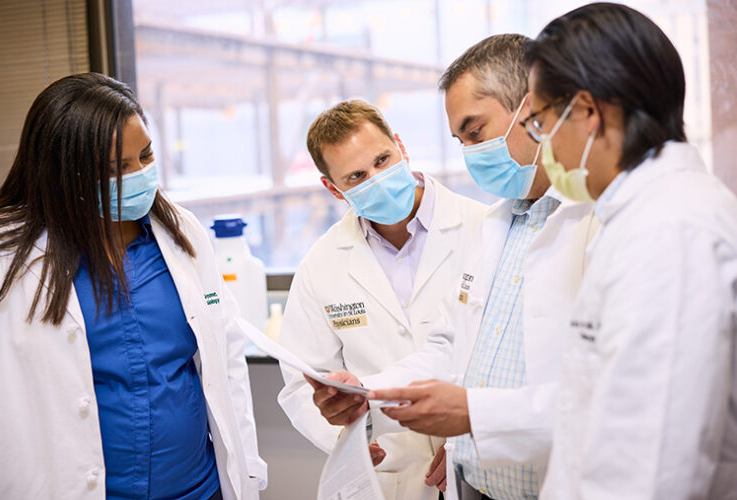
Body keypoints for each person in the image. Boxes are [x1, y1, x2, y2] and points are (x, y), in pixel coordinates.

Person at [308, 35, 598, 500]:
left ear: (533, 109)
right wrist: (367, 391)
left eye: (476, 131)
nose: (470, 152)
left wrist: (472, 416)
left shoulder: (594, 220)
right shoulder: (500, 223)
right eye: (460, 139)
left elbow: (609, 391)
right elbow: (451, 347)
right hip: (475, 486)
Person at [0, 73, 266, 499]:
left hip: (198, 487)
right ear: (65, 171)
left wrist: (247, 468)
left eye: (146, 157)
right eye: (116, 168)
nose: (139, 175)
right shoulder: (3, 258)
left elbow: (225, 359)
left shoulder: (181, 233)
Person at [518, 3, 737, 498]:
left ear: (589, 112)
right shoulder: (645, 218)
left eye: (540, 122)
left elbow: (649, 467)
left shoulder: (671, 234)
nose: (543, 147)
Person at [276, 99, 490, 500]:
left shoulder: (483, 227)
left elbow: (504, 352)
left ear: (401, 146)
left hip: (477, 459)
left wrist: (469, 434)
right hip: (388, 472)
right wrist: (348, 437)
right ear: (332, 187)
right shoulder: (321, 264)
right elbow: (301, 384)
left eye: (383, 160)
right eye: (357, 175)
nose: (377, 178)